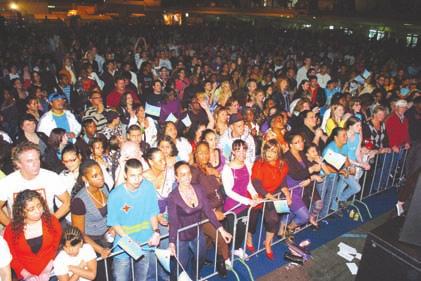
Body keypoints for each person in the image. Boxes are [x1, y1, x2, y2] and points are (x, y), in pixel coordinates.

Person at [168, 161, 232, 280]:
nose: (186, 177)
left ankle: (196, 277)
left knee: (200, 259)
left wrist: (221, 230)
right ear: (177, 178)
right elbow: (173, 222)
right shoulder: (173, 196)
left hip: (197, 233)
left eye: (188, 173)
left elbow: (208, 211)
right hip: (181, 237)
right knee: (181, 265)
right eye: (182, 174)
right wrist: (171, 242)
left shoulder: (198, 189)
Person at [107, 159, 160, 281]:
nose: (137, 179)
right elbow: (114, 222)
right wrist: (129, 240)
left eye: (140, 174)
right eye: (133, 175)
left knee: (142, 277)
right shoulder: (115, 195)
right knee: (121, 278)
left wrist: (156, 231)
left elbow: (152, 211)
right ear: (125, 175)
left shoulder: (148, 187)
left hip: (145, 241)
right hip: (123, 244)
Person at [0, 142, 70, 226]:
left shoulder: (51, 177)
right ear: (18, 164)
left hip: (47, 230)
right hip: (21, 232)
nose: (36, 164)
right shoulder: (8, 182)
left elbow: (67, 202)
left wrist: (51, 221)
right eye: (30, 161)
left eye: (37, 159)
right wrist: (11, 227)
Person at [3, 189, 62, 280]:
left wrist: (47, 270)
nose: (38, 211)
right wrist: (26, 275)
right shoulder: (11, 230)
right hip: (24, 274)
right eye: (31, 209)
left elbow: (58, 246)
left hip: (52, 269)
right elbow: (11, 256)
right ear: (21, 212)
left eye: (39, 206)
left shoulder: (52, 221)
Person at [191, 142, 231, 275]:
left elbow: (218, 187)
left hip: (218, 208)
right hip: (205, 213)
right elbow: (196, 197)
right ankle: (223, 260)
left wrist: (217, 175)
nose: (204, 155)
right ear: (195, 154)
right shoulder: (193, 171)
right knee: (220, 237)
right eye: (200, 152)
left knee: (207, 240)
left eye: (206, 152)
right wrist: (213, 212)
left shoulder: (209, 167)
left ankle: (200, 259)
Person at [71, 160, 112, 281]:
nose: (100, 178)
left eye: (100, 173)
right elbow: (79, 233)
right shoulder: (79, 201)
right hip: (92, 243)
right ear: (85, 179)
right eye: (95, 176)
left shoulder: (104, 188)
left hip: (108, 238)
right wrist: (100, 250)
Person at [251, 139, 289, 260]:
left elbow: (283, 181)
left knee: (279, 215)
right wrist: (269, 196)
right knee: (261, 219)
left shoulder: (282, 164)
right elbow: (256, 183)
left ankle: (268, 240)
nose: (269, 153)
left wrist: (287, 193)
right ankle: (257, 240)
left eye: (273, 151)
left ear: (278, 153)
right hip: (260, 194)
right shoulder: (259, 163)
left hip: (275, 193)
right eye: (268, 149)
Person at [221, 139, 260, 259]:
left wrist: (254, 194)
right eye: (239, 150)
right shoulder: (227, 169)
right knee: (231, 232)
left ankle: (237, 248)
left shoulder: (247, 164)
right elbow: (228, 191)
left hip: (244, 205)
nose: (242, 153)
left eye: (244, 150)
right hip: (232, 207)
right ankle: (225, 255)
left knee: (242, 229)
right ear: (233, 151)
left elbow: (248, 184)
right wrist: (248, 201)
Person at [283, 133, 324, 234]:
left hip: (300, 189)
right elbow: (295, 174)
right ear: (290, 145)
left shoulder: (301, 153)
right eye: (297, 142)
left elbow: (305, 171)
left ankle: (284, 231)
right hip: (290, 190)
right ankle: (287, 229)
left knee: (290, 213)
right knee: (304, 216)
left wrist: (310, 177)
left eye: (301, 141)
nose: (301, 144)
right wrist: (311, 170)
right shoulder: (287, 157)